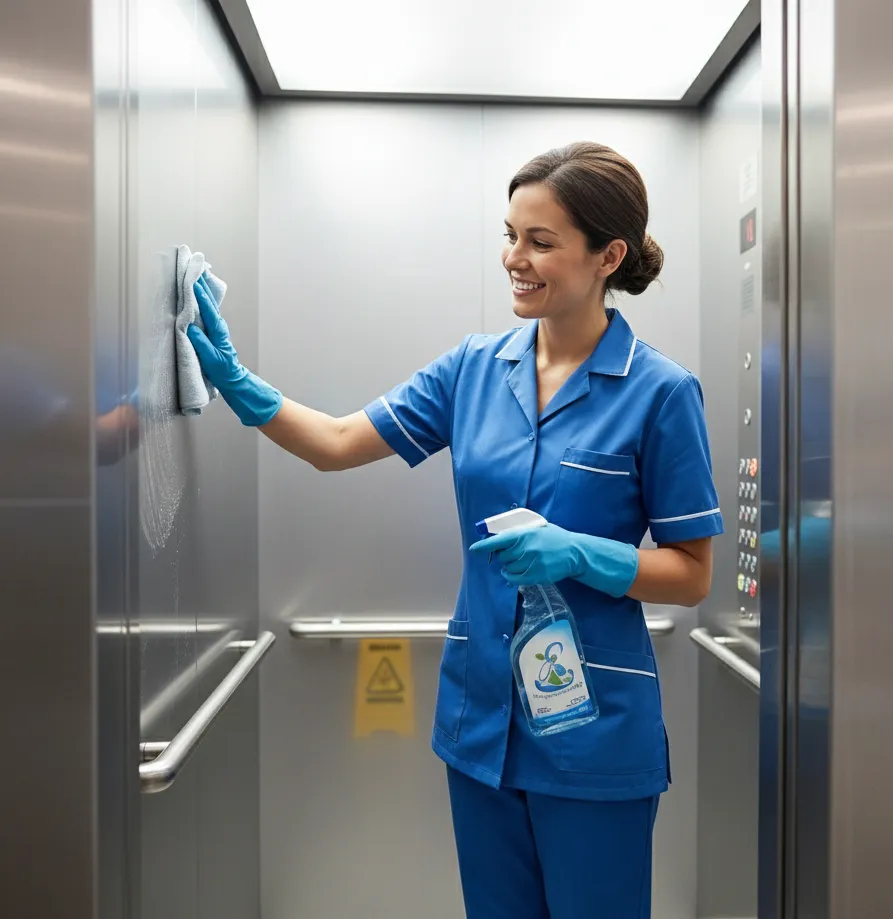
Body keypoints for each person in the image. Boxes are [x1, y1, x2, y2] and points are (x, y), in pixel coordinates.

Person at [187, 141, 724, 919]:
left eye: (540, 242)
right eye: (509, 235)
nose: (515, 258)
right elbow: (339, 443)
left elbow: (692, 572)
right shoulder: (473, 368)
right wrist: (241, 387)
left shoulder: (661, 392)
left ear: (609, 255)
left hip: (595, 733)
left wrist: (582, 553)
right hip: (481, 725)